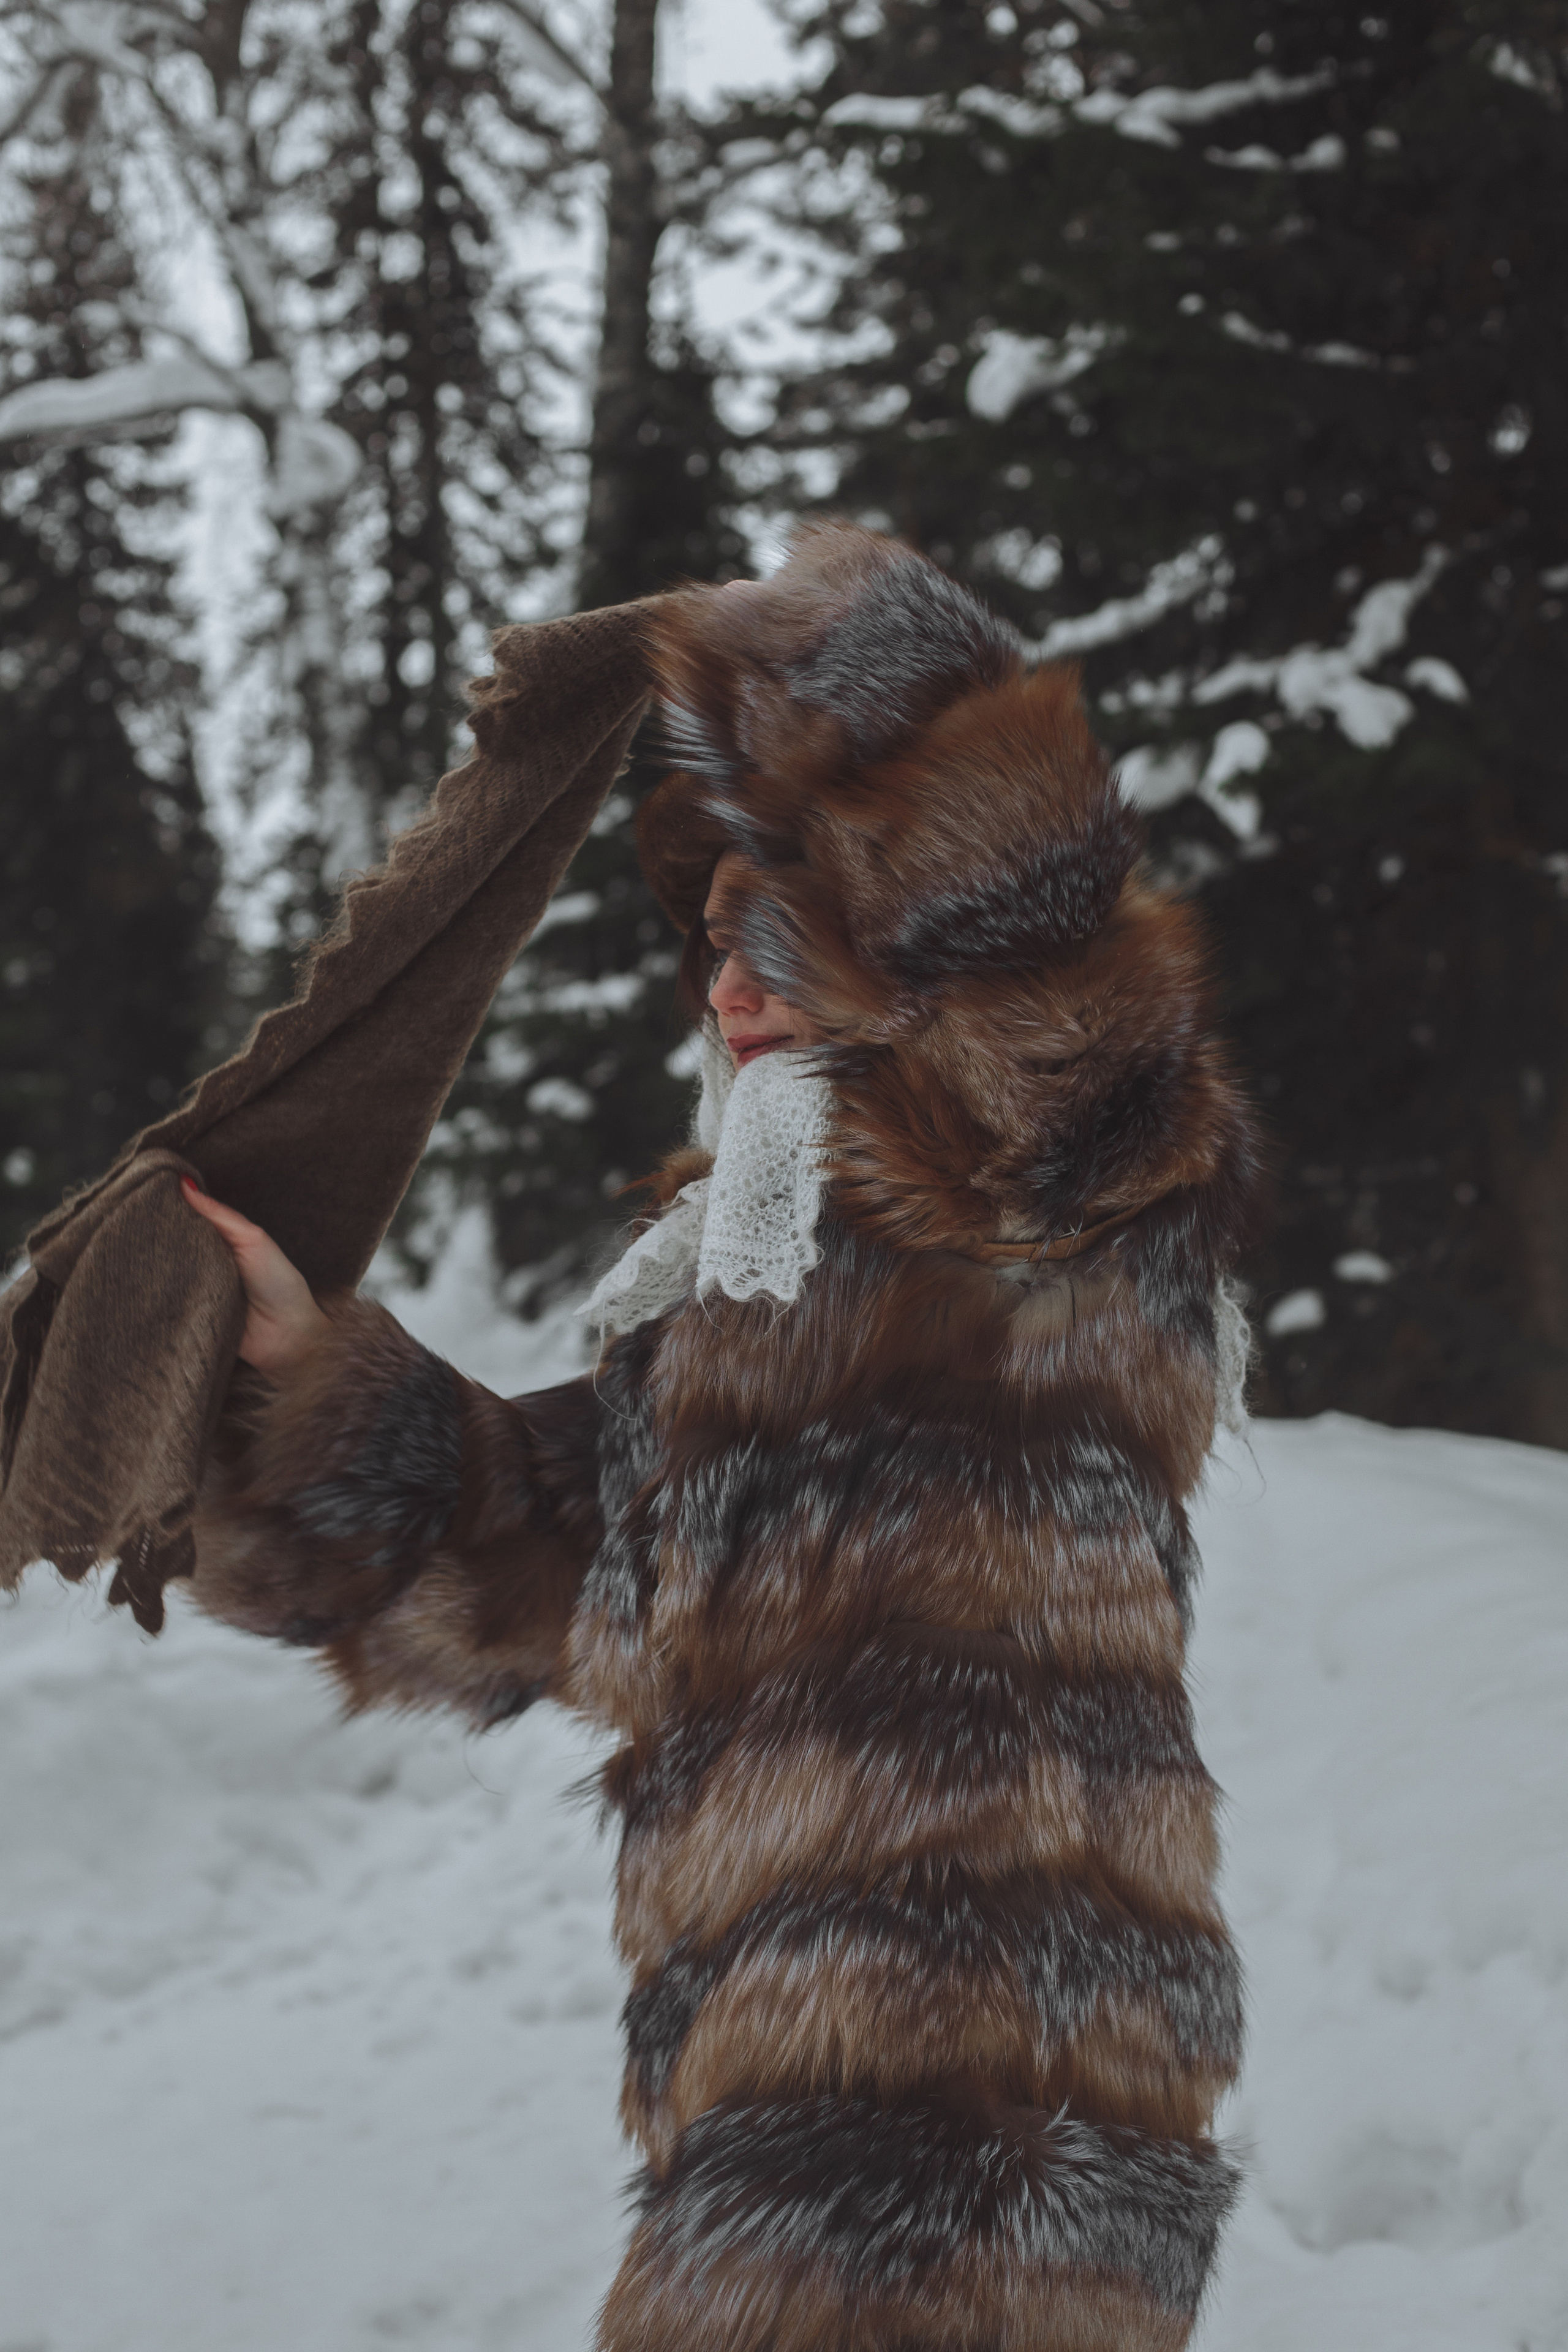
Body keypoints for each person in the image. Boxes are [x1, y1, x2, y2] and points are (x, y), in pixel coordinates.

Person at [184, 521, 1265, 2351]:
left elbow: (1040, 952)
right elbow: (547, 1563)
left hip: (990, 2105)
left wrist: (840, 669)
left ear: (907, 946)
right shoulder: (750, 1277)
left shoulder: (1055, 1170)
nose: (737, 983)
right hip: (772, 2108)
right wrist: (309, 1388)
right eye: (714, 940)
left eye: (791, 935)